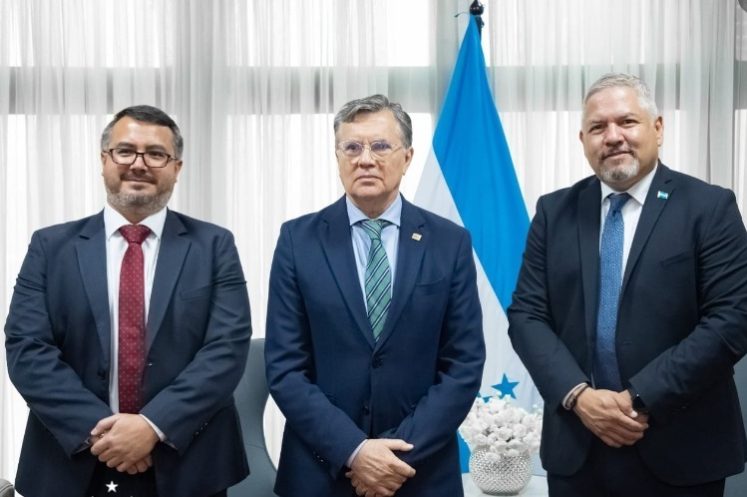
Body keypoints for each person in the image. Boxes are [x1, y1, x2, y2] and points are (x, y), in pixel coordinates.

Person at [508, 73, 747, 497]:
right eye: (598, 127)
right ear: (583, 140)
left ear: (658, 128)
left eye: (627, 122)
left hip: (681, 446)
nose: (613, 136)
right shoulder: (553, 212)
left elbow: (733, 318)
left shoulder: (709, 207)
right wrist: (579, 397)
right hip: (578, 446)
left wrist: (639, 397)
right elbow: (527, 316)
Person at [4, 105, 252, 497]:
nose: (139, 164)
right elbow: (27, 348)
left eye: (156, 154)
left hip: (187, 462)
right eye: (125, 151)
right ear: (104, 160)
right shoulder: (50, 247)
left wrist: (152, 426)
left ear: (176, 168)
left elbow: (226, 349)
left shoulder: (214, 245)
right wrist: (104, 434)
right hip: (70, 462)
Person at [265, 94, 485, 497]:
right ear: (337, 157)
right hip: (321, 471)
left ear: (407, 156)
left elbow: (463, 364)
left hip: (419, 471)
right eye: (352, 147)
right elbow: (284, 367)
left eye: (380, 146)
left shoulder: (449, 242)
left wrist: (393, 457)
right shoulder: (298, 240)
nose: (365, 159)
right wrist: (354, 451)